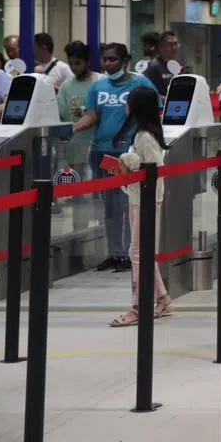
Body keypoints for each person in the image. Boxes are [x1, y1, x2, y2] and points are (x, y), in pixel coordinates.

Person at [71, 43, 159, 272]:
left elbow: (154, 110)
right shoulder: (99, 87)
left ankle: (132, 252)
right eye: (105, 60)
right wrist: (73, 128)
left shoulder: (140, 84)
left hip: (131, 154)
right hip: (103, 152)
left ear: (125, 61)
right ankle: (115, 252)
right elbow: (92, 115)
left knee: (131, 204)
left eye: (113, 59)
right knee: (110, 207)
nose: (108, 64)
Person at [110, 86, 173, 326]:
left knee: (137, 252)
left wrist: (128, 160)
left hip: (146, 200)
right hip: (139, 198)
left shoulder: (144, 136)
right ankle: (163, 298)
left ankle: (138, 306)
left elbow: (154, 167)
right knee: (141, 252)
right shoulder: (145, 133)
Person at [56, 41, 99, 174]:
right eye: (71, 64)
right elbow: (60, 113)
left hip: (95, 144)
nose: (74, 67)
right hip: (73, 147)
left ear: (87, 62)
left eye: (78, 63)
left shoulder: (100, 82)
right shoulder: (66, 85)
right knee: (76, 186)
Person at [143, 31, 179, 97]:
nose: (174, 48)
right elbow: (149, 92)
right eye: (170, 45)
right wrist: (168, 101)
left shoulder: (178, 65)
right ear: (160, 47)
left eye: (176, 44)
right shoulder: (153, 66)